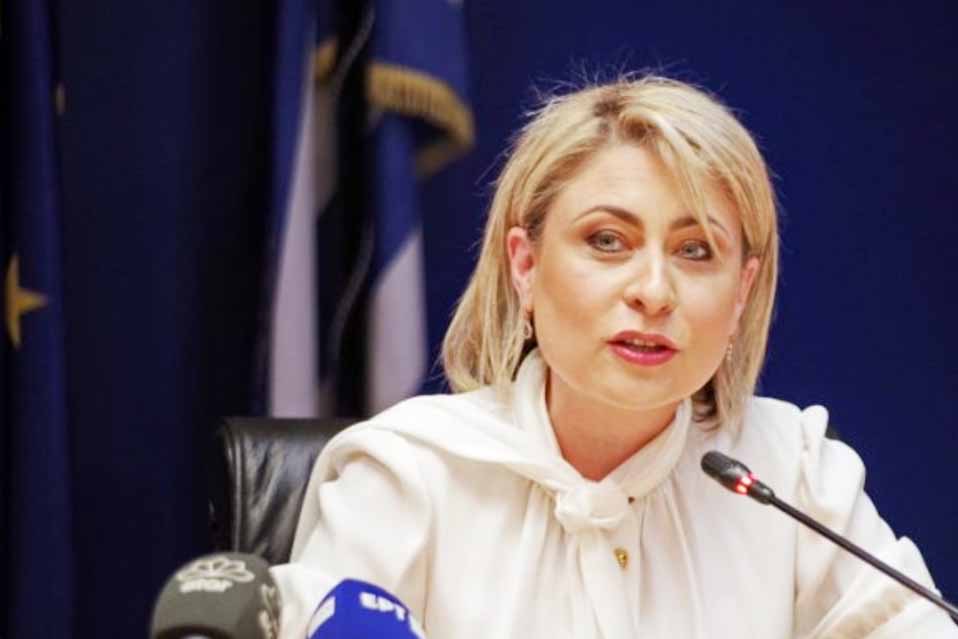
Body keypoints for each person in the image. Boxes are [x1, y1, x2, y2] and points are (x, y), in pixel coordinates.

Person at [271, 75, 957, 637]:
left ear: (743, 291)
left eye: (695, 251)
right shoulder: (408, 476)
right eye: (607, 241)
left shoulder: (793, 475)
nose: (653, 291)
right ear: (525, 265)